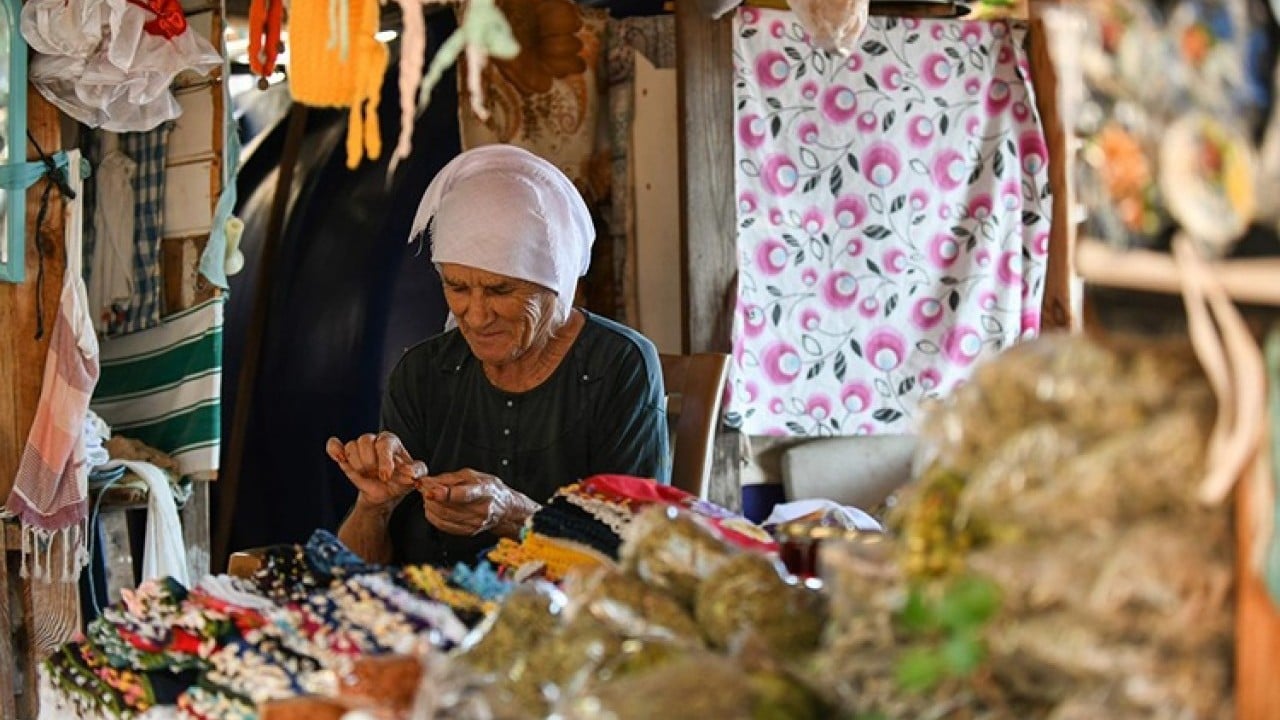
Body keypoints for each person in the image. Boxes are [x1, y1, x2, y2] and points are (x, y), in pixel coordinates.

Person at [329, 145, 670, 566]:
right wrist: (374, 504)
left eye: (500, 290)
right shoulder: (422, 374)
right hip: (431, 620)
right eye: (456, 287)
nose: (475, 315)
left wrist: (512, 514)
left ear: (554, 285)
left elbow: (641, 554)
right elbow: (352, 575)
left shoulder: (617, 366)